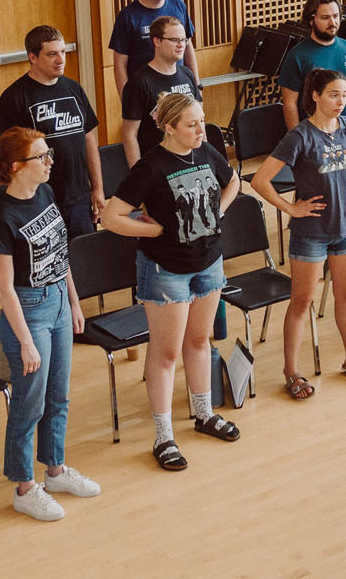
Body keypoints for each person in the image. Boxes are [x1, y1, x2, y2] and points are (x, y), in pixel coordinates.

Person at [101, 92, 243, 471]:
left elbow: (234, 182)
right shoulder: (150, 167)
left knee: (199, 341)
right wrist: (155, 232)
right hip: (167, 272)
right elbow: (111, 217)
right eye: (192, 124)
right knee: (165, 355)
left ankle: (203, 414)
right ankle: (163, 436)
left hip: (208, 263)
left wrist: (218, 213)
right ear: (168, 128)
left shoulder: (206, 151)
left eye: (201, 120)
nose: (202, 129)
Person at [0, 127, 101, 522]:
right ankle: (24, 486)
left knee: (59, 394)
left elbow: (59, 253)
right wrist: (26, 341)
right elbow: (4, 288)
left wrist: (74, 301)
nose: (51, 162)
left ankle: (55, 470)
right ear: (17, 167)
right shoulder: (2, 218)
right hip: (28, 310)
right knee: (28, 403)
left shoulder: (45, 194)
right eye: (42, 157)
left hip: (57, 303)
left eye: (48, 154)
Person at [252, 68, 346, 398]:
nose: (341, 101)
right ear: (315, 96)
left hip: (345, 229)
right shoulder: (300, 137)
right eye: (333, 95)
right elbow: (259, 180)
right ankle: (291, 371)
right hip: (310, 233)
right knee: (302, 302)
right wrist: (290, 208)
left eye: (343, 95)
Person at [0, 25, 106, 235]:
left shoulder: (74, 88)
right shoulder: (13, 98)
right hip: (39, 199)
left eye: (63, 52)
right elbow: (6, 158)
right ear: (33, 57)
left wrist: (97, 188)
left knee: (83, 262)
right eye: (52, 54)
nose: (60, 59)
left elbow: (88, 139)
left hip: (79, 197)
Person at [106, 0, 198, 99]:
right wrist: (126, 98)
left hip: (179, 86)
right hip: (146, 90)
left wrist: (197, 86)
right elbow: (120, 62)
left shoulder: (177, 4)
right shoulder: (128, 16)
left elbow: (188, 47)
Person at [276, 0, 346, 130]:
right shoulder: (297, 56)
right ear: (311, 20)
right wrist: (298, 142)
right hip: (314, 137)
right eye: (325, 18)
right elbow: (289, 104)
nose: (332, 23)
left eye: (336, 16)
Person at [118, 15, 201, 160]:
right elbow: (129, 134)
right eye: (174, 40)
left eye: (183, 40)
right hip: (156, 163)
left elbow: (200, 122)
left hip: (189, 159)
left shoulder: (187, 74)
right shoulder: (139, 83)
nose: (181, 45)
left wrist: (203, 157)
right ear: (157, 41)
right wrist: (138, 175)